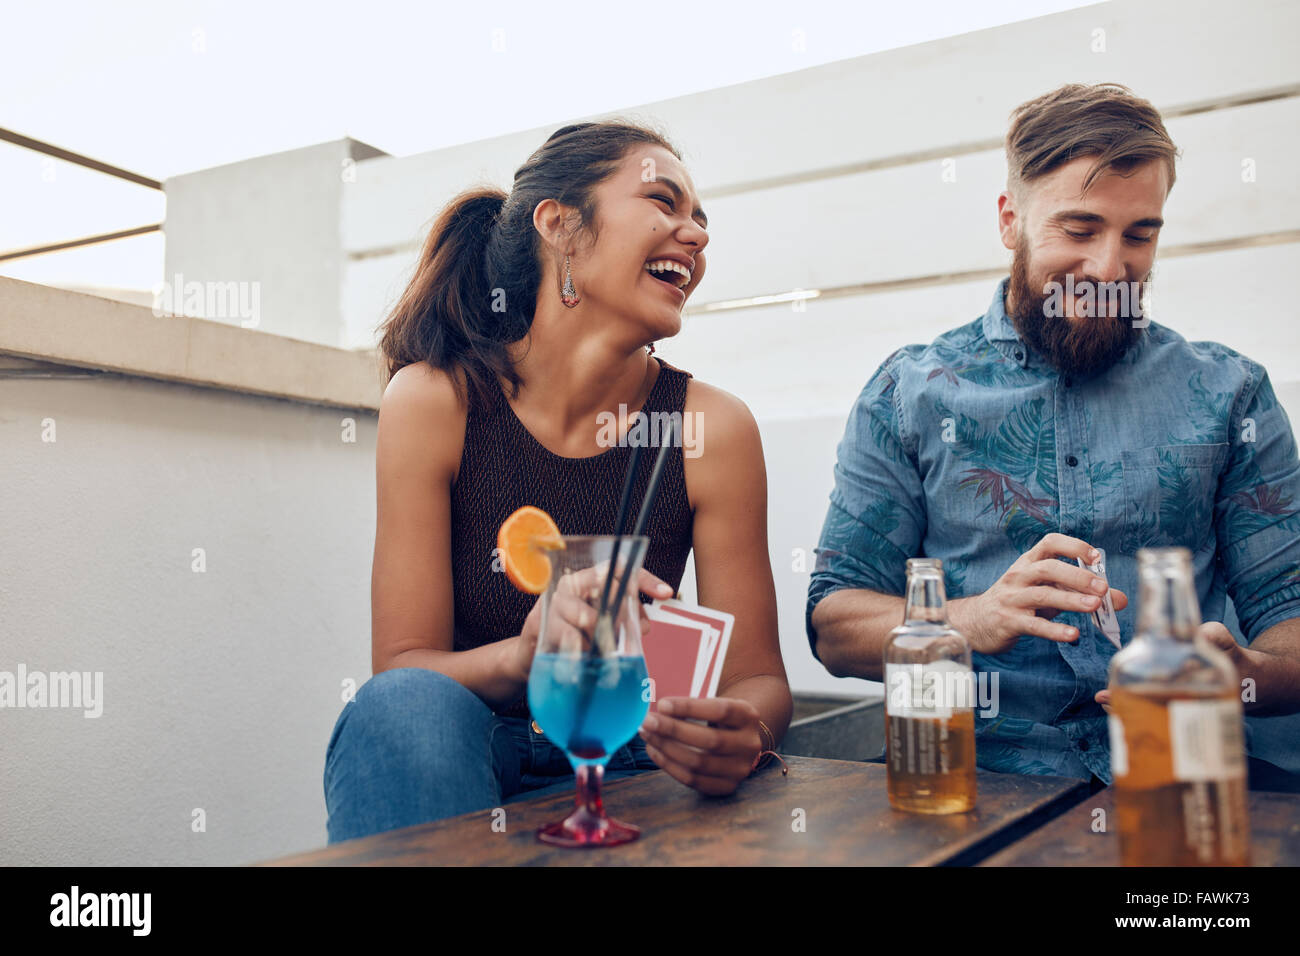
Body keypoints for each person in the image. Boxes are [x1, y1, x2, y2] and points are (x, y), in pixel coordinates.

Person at [806, 83, 1300, 790]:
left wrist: (1249, 676)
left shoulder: (1231, 393)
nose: (1109, 268)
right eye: (1079, 229)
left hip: (1183, 776)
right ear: (1010, 220)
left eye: (1140, 234)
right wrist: (970, 619)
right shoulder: (907, 391)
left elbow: (1290, 614)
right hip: (969, 781)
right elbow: (835, 623)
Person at [324, 121, 792, 843]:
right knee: (400, 708)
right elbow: (402, 667)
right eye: (663, 202)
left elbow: (758, 677)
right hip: (483, 749)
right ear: (560, 226)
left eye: (700, 219)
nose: (694, 235)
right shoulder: (434, 401)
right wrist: (526, 652)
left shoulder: (714, 428)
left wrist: (744, 729)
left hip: (640, 755)